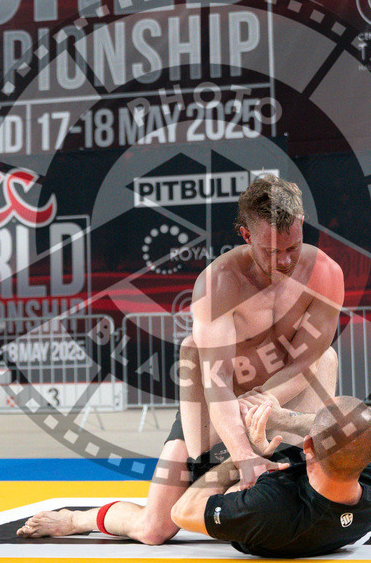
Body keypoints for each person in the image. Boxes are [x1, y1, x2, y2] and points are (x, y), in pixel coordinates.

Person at [18, 174, 345, 544]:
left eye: (293, 248)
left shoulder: (325, 274)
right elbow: (215, 380)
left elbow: (309, 358)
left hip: (283, 394)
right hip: (216, 402)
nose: (284, 260)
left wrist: (268, 401)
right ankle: (81, 519)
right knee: (154, 529)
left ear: (301, 225)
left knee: (327, 361)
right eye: (272, 251)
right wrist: (242, 455)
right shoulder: (219, 282)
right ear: (247, 236)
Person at [171, 395, 371, 558]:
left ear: (308, 445)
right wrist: (281, 417)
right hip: (285, 472)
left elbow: (182, 512)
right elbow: (353, 432)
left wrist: (245, 453)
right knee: (325, 358)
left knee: (152, 528)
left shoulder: (268, 506)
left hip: (230, 479)